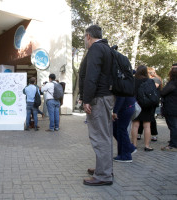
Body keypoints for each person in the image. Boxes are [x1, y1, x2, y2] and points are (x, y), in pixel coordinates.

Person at [80, 25, 114, 186]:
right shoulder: (106, 48)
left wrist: (86, 99)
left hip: (98, 99)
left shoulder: (96, 49)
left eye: (84, 38)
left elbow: (91, 76)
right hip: (105, 97)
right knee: (105, 136)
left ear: (88, 36)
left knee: (99, 137)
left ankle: (104, 175)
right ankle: (103, 169)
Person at [131, 65, 155, 151]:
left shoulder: (133, 81)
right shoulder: (150, 81)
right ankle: (147, 145)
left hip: (136, 104)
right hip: (147, 105)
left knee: (135, 125)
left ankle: (134, 144)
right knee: (147, 126)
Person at [137, 67, 162, 141]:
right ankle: (139, 133)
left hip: (150, 102)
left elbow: (152, 89)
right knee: (143, 119)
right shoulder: (150, 80)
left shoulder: (155, 80)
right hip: (148, 101)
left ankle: (154, 134)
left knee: (150, 119)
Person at [112, 96, 137, 162]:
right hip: (128, 106)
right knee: (117, 129)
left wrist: (115, 111)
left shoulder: (122, 86)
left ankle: (126, 155)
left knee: (121, 130)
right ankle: (127, 150)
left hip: (125, 107)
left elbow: (121, 96)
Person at [160, 66, 177, 151]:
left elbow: (163, 92)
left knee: (173, 126)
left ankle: (173, 145)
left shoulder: (173, 83)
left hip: (171, 108)